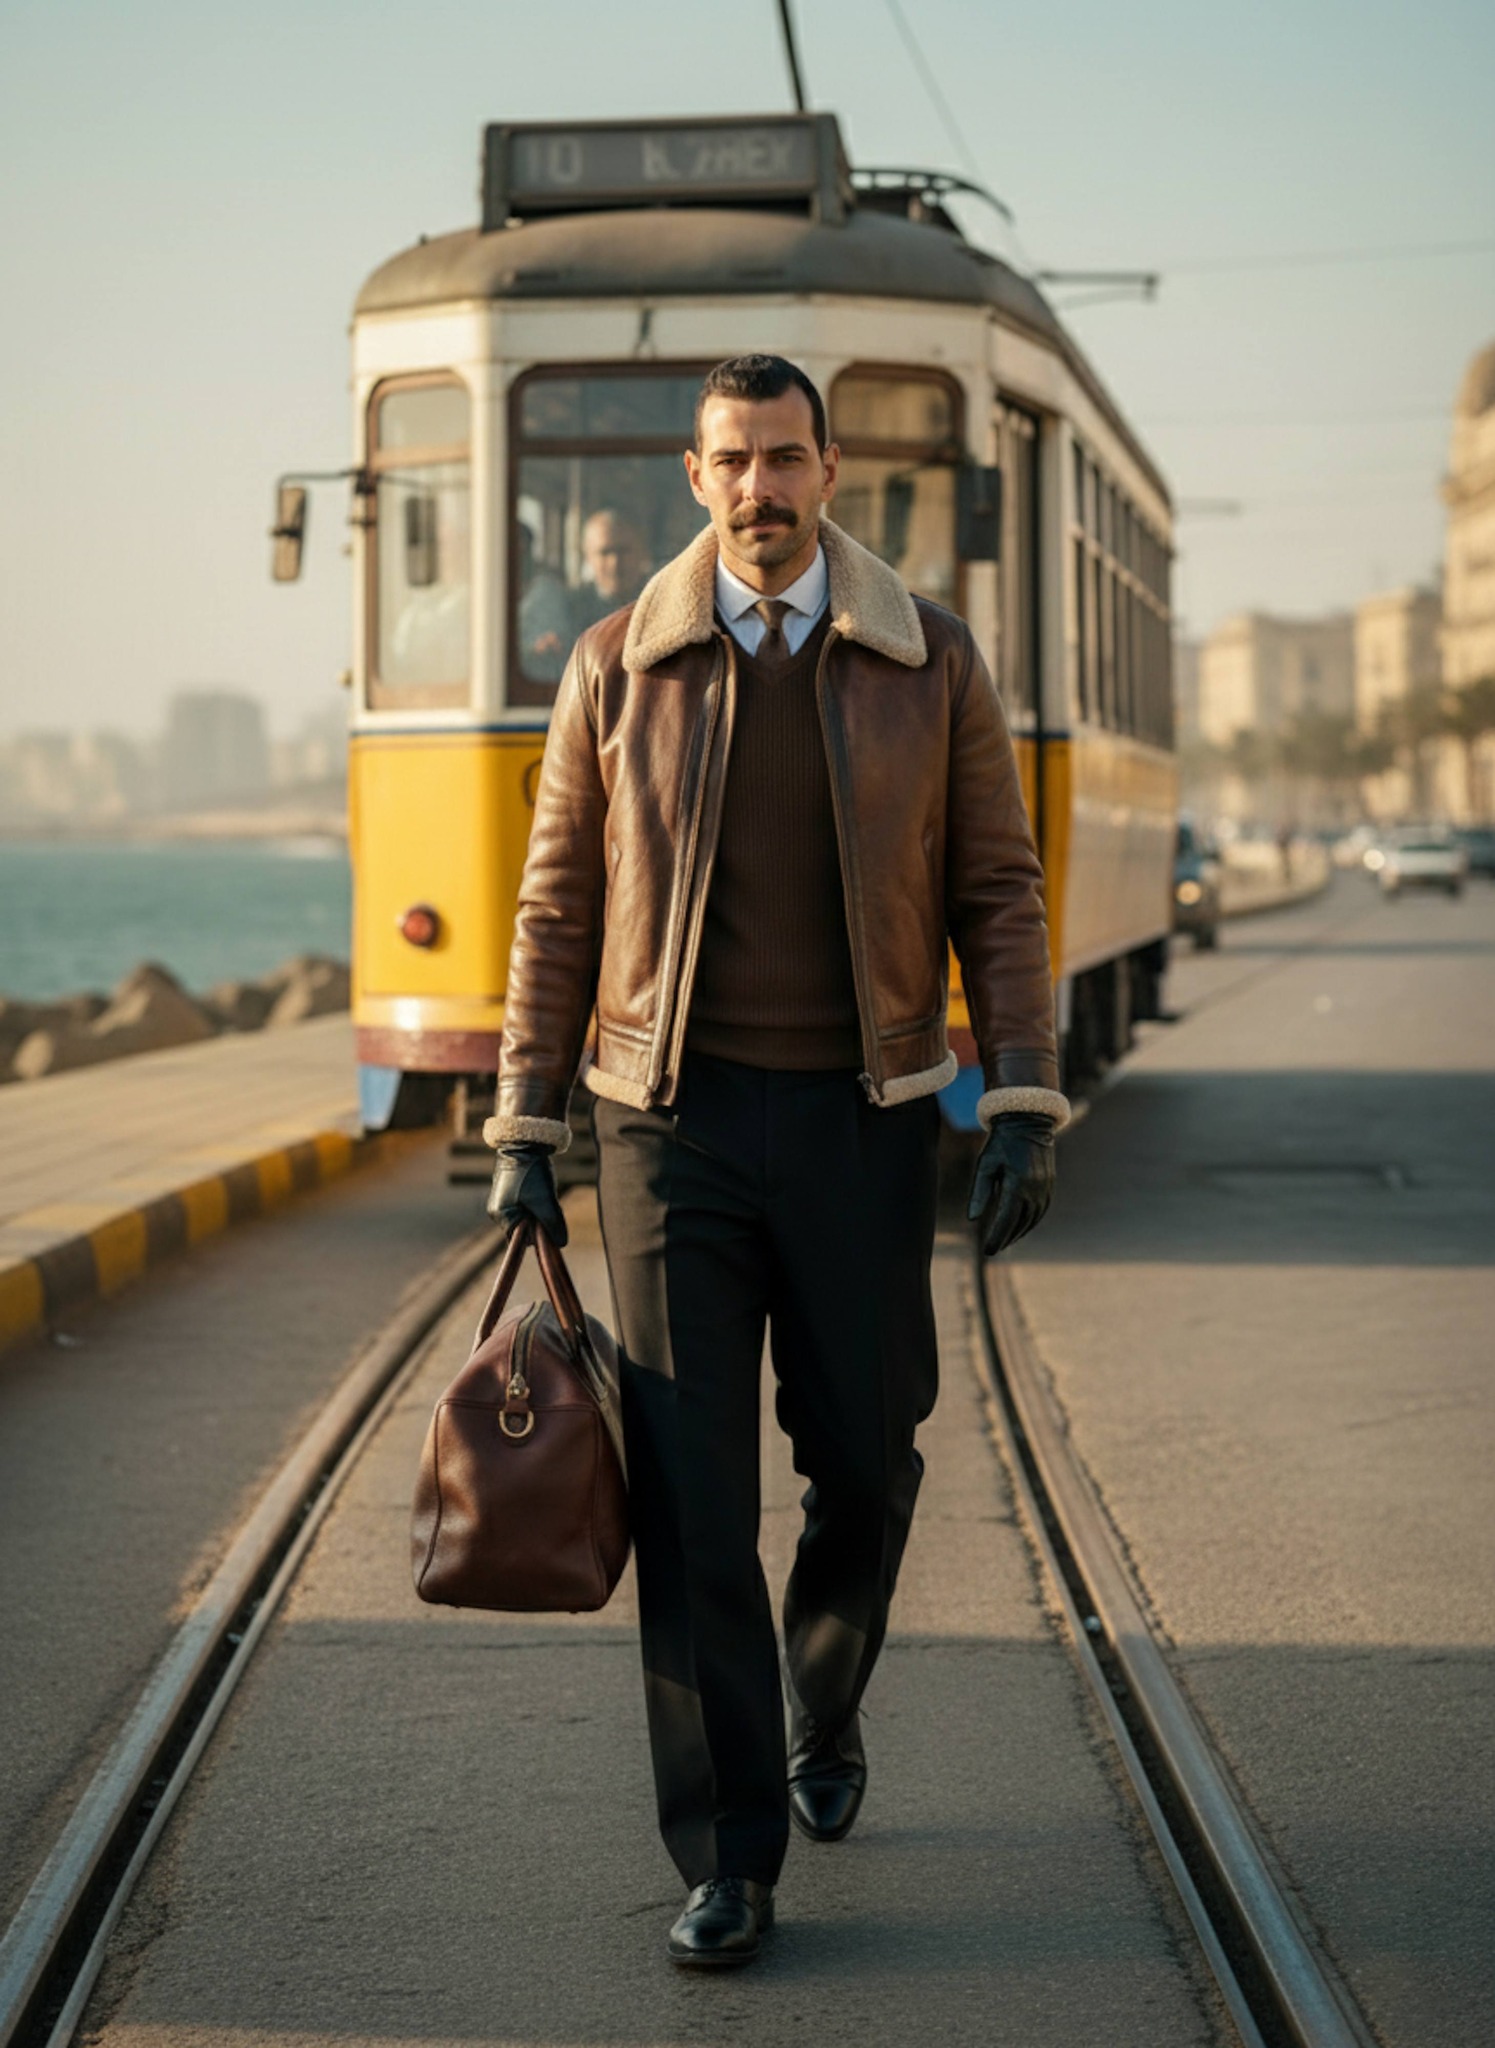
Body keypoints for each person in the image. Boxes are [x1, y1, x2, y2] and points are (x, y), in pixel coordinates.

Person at [486, 354, 1066, 1970]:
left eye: (787, 459)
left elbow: (1002, 892)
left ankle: (826, 1684)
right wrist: (530, 1124)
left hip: (867, 1117)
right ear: (694, 474)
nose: (760, 488)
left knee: (869, 1461)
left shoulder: (927, 659)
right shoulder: (618, 663)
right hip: (664, 1127)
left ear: (832, 473)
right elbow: (555, 910)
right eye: (733, 460)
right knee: (691, 1501)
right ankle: (730, 1846)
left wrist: (1020, 1092)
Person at [567, 507, 650, 634]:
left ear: (641, 550)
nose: (615, 562)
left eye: (623, 550)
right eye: (605, 552)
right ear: (588, 557)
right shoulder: (571, 610)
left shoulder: (659, 600)